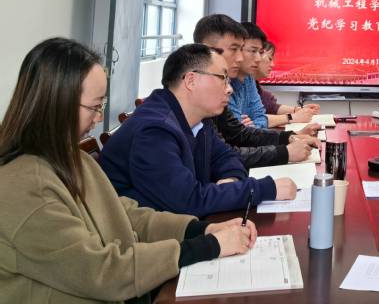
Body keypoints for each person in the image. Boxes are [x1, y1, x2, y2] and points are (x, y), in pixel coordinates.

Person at [0, 38, 257, 303]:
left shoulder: (74, 159)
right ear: (57, 103)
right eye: (94, 106)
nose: (99, 117)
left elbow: (125, 215)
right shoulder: (24, 187)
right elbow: (100, 272)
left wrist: (201, 230)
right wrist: (206, 247)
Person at [100, 43, 297, 217]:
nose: (229, 89)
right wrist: (263, 189)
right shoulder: (154, 131)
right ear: (191, 81)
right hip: (141, 239)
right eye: (223, 78)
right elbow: (188, 202)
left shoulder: (198, 119)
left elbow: (226, 156)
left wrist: (231, 179)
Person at [194, 15, 319, 168]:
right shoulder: (183, 108)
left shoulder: (222, 89)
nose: (240, 58)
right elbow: (222, 155)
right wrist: (285, 152)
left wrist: (289, 137)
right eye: (234, 49)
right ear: (206, 50)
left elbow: (240, 133)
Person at [246, 30, 320, 128]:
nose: (272, 65)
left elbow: (270, 107)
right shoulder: (239, 82)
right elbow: (255, 119)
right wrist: (292, 117)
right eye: (269, 59)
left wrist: (297, 110)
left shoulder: (251, 83)